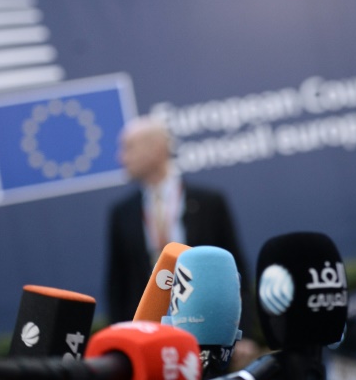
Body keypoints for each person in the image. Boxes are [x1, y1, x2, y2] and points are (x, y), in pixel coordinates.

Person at [105, 116, 259, 365]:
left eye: (128, 148)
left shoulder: (209, 202)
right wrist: (121, 345)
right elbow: (117, 286)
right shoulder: (122, 213)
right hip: (148, 342)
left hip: (208, 334)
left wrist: (244, 334)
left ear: (156, 149)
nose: (121, 158)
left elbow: (235, 272)